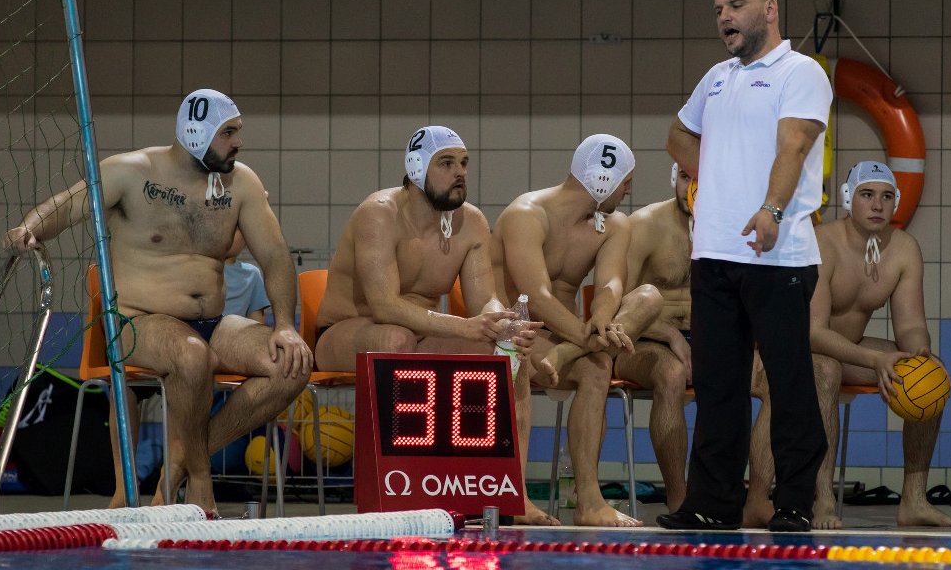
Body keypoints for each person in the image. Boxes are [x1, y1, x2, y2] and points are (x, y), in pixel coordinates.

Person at [1, 89, 313, 514]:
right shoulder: (132, 172)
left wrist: (285, 326)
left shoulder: (241, 184)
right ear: (194, 133)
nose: (238, 142)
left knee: (291, 366)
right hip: (137, 323)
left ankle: (179, 464)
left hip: (213, 323)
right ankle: (200, 479)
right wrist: (28, 228)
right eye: (229, 133)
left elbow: (275, 255)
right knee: (191, 356)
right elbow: (68, 205)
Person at [656, 0, 833, 532]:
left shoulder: (800, 72)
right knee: (717, 386)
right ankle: (712, 502)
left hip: (777, 255)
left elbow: (794, 147)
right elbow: (678, 135)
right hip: (713, 252)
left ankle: (796, 501)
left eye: (736, 4)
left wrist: (770, 208)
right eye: (718, 10)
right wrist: (723, 172)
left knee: (788, 381)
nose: (725, 17)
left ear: (771, 8)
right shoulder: (716, 77)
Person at [313, 125, 549, 524]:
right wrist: (465, 327)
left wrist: (504, 325)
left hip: (422, 333)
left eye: (464, 163)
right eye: (446, 164)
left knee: (507, 353)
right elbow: (384, 306)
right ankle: (400, 488)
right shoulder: (380, 213)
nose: (460, 172)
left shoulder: (470, 222)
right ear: (417, 168)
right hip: (346, 331)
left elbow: (484, 301)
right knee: (395, 336)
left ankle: (514, 493)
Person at [744, 161, 951, 529]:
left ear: (895, 203)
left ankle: (913, 499)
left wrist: (919, 351)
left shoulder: (904, 249)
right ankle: (824, 499)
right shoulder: (823, 242)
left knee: (930, 374)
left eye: (886, 196)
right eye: (867, 195)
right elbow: (813, 331)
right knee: (826, 370)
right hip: (795, 347)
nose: (877, 205)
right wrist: (875, 358)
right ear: (849, 200)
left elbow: (910, 325)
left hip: (850, 347)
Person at [491, 134, 662, 527]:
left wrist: (602, 315)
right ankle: (514, 496)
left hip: (563, 342)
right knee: (529, 355)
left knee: (605, 357)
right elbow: (536, 297)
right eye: (626, 180)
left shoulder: (613, 225)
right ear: (604, 180)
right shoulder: (527, 214)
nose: (629, 189)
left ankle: (589, 500)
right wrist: (589, 335)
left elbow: (611, 284)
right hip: (514, 335)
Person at [611, 163, 694, 515]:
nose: (695, 186)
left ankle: (754, 501)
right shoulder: (644, 225)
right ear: (674, 177)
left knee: (767, 377)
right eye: (688, 177)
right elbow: (617, 306)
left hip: (700, 342)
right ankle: (679, 498)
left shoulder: (730, 230)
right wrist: (672, 334)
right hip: (640, 340)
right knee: (671, 373)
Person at [223, 229, 270, 322]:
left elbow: (256, 322)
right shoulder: (198, 269)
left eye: (234, 228)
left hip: (237, 333)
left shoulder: (252, 274)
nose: (226, 234)